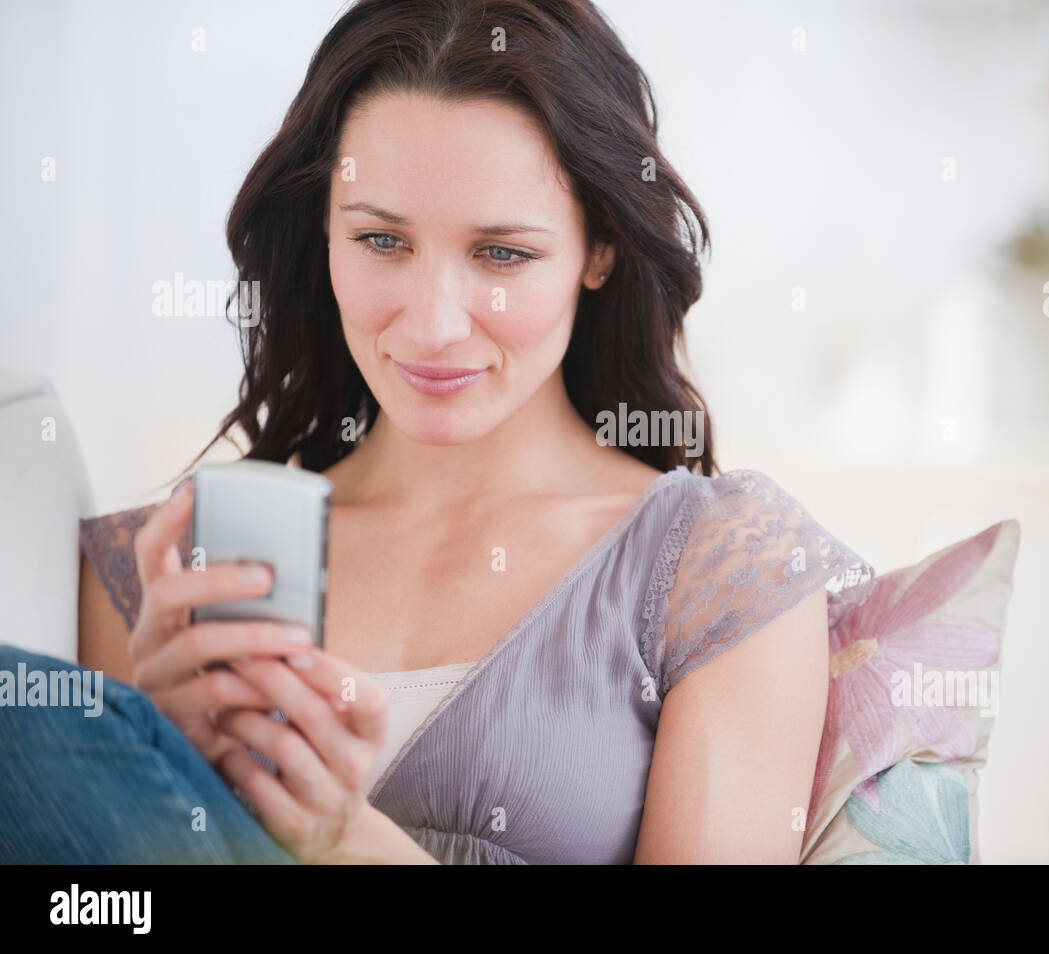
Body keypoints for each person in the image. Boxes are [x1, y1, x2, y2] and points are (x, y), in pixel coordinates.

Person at [0, 0, 876, 864]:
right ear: (324, 232)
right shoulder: (157, 577)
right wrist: (155, 767)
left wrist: (345, 838)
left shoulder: (716, 569)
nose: (432, 326)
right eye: (382, 241)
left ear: (600, 248)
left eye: (502, 255)